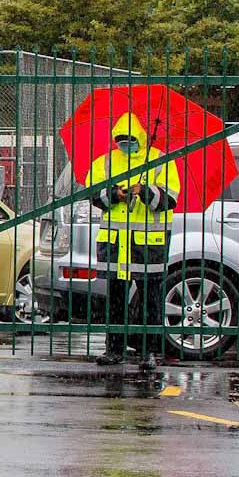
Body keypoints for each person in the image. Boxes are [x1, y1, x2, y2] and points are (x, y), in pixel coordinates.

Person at [85, 113, 179, 369]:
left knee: (151, 302)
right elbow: (92, 194)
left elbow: (170, 199)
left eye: (129, 138)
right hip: (115, 245)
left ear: (139, 136)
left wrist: (146, 191)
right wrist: (116, 194)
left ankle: (149, 352)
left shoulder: (160, 161)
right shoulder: (105, 162)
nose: (124, 143)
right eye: (120, 139)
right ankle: (114, 350)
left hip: (148, 246)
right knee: (115, 301)